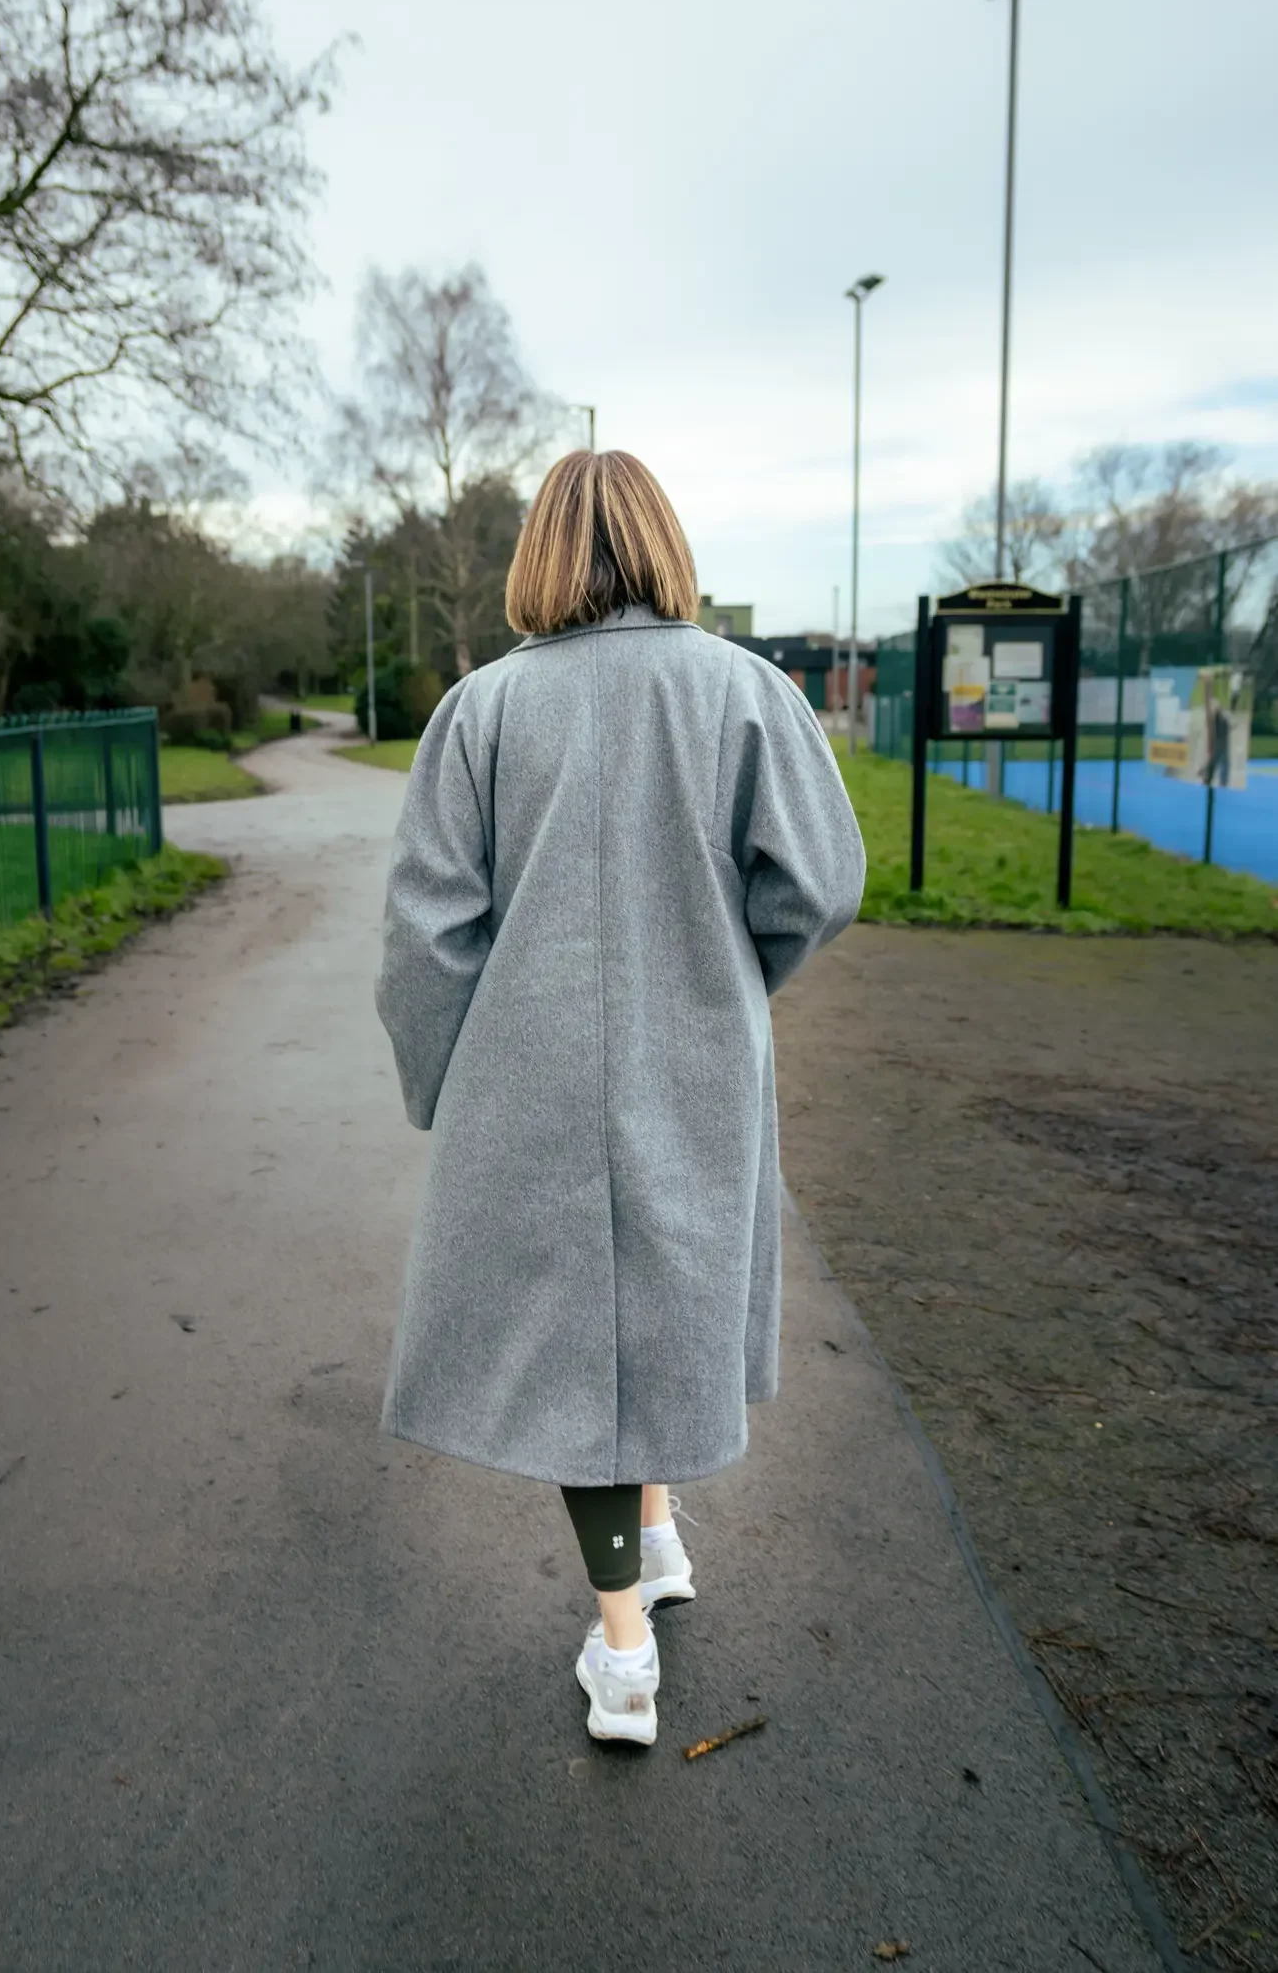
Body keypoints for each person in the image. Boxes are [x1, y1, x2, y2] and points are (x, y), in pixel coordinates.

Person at [375, 450, 866, 1747]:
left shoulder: (477, 713)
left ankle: (624, 1649)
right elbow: (818, 884)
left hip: (529, 1087)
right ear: (662, 542)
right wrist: (733, 982)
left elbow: (427, 936)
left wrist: (446, 1088)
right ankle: (651, 1549)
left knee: (578, 1353)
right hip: (698, 1063)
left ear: (540, 554)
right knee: (651, 1311)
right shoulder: (746, 692)